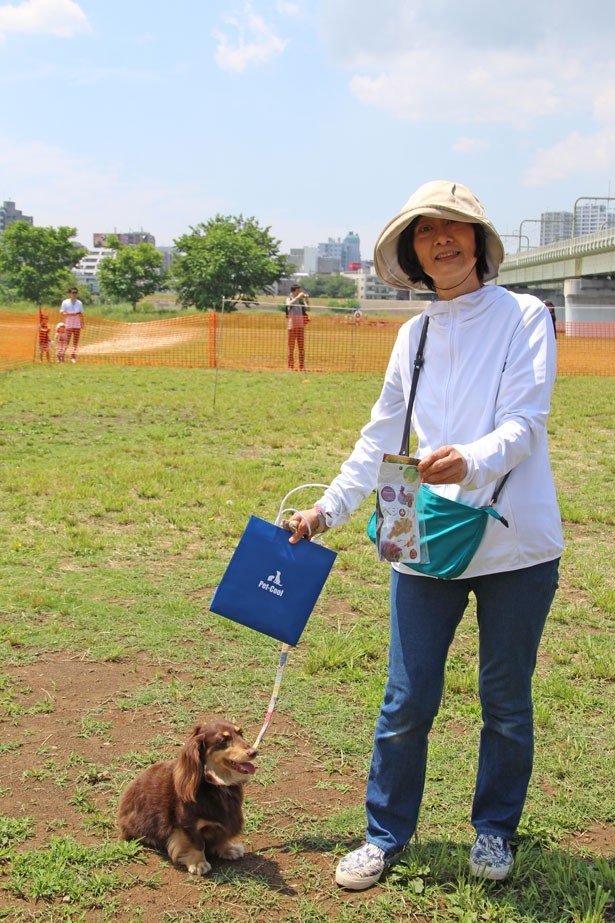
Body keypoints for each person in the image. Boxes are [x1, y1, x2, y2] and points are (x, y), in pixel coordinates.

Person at [288, 180, 563, 891]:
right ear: (411, 250)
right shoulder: (412, 334)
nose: (441, 239)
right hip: (417, 525)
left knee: (504, 700)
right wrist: (325, 510)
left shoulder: (525, 314)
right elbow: (379, 439)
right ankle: (383, 835)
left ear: (478, 241)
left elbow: (524, 423)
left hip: (514, 541)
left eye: (456, 226)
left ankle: (494, 831)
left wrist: (469, 457)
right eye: (425, 230)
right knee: (406, 697)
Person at [285, 283, 310, 370]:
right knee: (291, 347)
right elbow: (288, 305)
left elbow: (308, 309)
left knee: (301, 347)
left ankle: (301, 366)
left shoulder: (300, 301)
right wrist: (297, 297)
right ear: (294, 291)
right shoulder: (289, 298)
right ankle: (290, 366)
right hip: (292, 326)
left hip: (301, 325)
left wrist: (306, 300)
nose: (300, 292)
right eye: (298, 290)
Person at [59, 286, 85, 363]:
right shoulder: (65, 302)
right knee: (66, 342)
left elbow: (81, 313)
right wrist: (70, 314)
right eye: (73, 293)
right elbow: (62, 313)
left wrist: (82, 323)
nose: (74, 294)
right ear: (69, 293)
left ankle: (73, 357)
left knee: (75, 342)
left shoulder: (79, 303)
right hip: (68, 325)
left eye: (76, 293)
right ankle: (62, 357)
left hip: (77, 325)